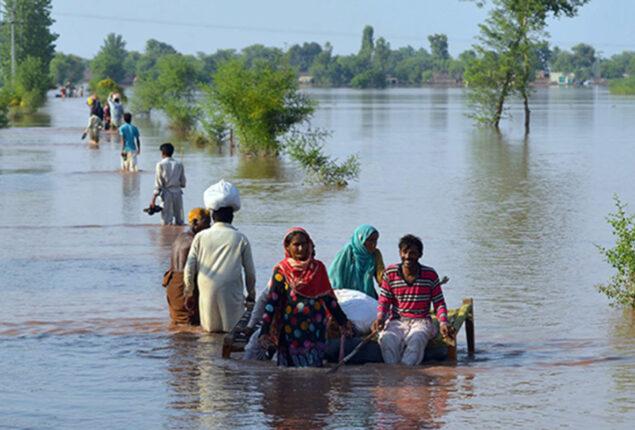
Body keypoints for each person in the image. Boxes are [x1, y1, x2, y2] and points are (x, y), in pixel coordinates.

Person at [258, 227, 352, 367]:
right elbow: (273, 301)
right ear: (288, 247)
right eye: (296, 245)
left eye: (304, 244)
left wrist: (343, 322)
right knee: (289, 373)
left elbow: (329, 300)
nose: (301, 248)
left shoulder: (318, 268)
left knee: (313, 370)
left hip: (314, 331)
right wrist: (264, 330)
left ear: (309, 245)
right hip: (290, 331)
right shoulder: (281, 271)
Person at [371, 234, 451, 366]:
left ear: (420, 255)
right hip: (397, 321)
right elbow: (384, 301)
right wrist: (380, 318)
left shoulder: (430, 275)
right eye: (405, 252)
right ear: (400, 253)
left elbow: (439, 303)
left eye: (413, 253)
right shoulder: (390, 273)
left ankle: (407, 376)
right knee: (387, 339)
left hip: (421, 321)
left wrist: (443, 322)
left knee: (416, 339)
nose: (408, 257)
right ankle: (393, 375)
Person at [184, 206, 256, 332]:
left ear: (212, 218)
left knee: (208, 333)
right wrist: (251, 294)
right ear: (232, 218)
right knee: (232, 332)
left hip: (207, 289)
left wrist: (189, 292)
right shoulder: (240, 238)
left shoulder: (200, 237)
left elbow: (189, 268)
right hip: (231, 291)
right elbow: (250, 272)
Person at [163, 208, 211, 325]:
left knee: (178, 324)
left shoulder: (180, 237)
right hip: (183, 285)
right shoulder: (195, 241)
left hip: (172, 284)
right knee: (190, 324)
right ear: (195, 223)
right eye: (206, 223)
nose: (209, 227)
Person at [328, 224, 385, 299]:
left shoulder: (375, 255)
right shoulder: (348, 252)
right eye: (370, 240)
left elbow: (381, 277)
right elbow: (335, 274)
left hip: (367, 296)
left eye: (375, 240)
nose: (373, 244)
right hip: (346, 296)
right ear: (361, 239)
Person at [149, 143, 186, 225]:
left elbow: (158, 183)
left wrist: (153, 199)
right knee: (180, 220)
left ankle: (166, 237)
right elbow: (183, 183)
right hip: (178, 193)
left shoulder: (160, 164)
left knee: (166, 221)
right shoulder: (179, 164)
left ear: (162, 153)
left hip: (166, 194)